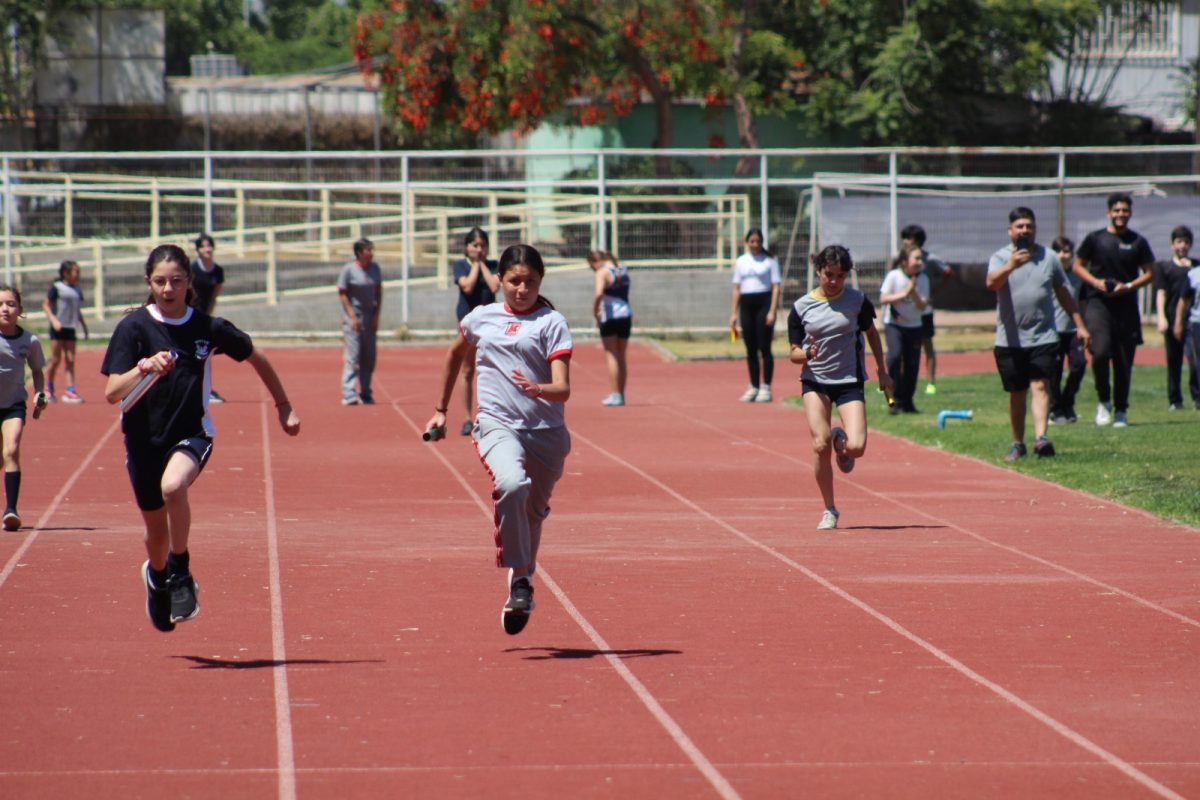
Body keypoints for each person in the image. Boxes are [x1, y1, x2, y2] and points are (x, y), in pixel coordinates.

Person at [100, 244, 300, 633]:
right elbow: (112, 392)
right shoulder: (133, 328)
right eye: (160, 281)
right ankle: (158, 578)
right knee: (155, 535)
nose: (168, 288)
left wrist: (283, 405)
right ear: (148, 282)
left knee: (174, 486)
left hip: (193, 433)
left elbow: (257, 356)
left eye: (176, 280)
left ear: (189, 282)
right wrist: (144, 367)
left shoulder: (207, 328)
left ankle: (180, 570)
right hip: (143, 440)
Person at [424, 244, 572, 636]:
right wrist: (441, 409)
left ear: (541, 281)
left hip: (547, 433)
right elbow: (454, 356)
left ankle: (521, 576)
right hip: (496, 424)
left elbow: (563, 389)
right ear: (500, 280)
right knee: (511, 484)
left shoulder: (551, 322)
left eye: (530, 281)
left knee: (533, 514)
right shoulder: (482, 318)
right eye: (514, 281)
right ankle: (521, 580)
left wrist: (538, 389)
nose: (522, 289)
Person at [787, 245, 891, 531]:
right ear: (818, 271)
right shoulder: (800, 308)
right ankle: (829, 509)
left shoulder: (857, 301)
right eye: (828, 274)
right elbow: (793, 354)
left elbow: (871, 333)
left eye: (840, 276)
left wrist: (883, 371)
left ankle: (841, 442)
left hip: (848, 380)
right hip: (815, 381)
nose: (833, 281)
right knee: (818, 444)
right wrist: (808, 354)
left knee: (857, 447)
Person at [986, 208, 1090, 462]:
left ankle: (1042, 438)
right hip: (1009, 340)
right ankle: (1017, 443)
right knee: (1017, 392)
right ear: (1010, 230)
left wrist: (1080, 324)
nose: (1024, 230)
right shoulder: (1000, 257)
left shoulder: (1049, 257)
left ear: (1035, 229)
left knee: (1041, 385)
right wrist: (1012, 264)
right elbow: (991, 284)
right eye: (1019, 226)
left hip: (1044, 337)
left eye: (1029, 226)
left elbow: (1064, 293)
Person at [1072, 193, 1155, 428]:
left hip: (1126, 306)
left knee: (1123, 360)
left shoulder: (1138, 241)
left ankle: (1121, 409)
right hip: (1099, 304)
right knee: (1099, 353)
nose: (1121, 215)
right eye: (1117, 210)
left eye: (1125, 210)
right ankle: (1104, 402)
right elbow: (1078, 266)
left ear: (1130, 213)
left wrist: (1127, 286)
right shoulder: (1095, 239)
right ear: (1109, 212)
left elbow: (1150, 273)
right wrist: (1096, 283)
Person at [0, 286, 47, 531]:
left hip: (13, 405)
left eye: (10, 304)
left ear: (20, 309)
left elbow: (38, 371)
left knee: (12, 449)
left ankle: (11, 510)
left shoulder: (29, 341)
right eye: (0, 304)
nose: (5, 309)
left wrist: (40, 391)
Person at [452, 227, 500, 434]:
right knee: (468, 369)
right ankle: (466, 418)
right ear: (467, 247)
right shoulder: (460, 265)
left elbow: (494, 287)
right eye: (475, 245)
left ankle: (492, 415)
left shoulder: (494, 265)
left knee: (492, 369)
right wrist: (476, 265)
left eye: (483, 245)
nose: (480, 249)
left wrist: (483, 266)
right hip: (468, 322)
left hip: (490, 323)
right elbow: (468, 287)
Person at [900, 224, 953, 396]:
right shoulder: (901, 259)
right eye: (904, 237)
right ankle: (899, 381)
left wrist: (934, 293)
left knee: (927, 345)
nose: (905, 241)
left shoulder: (929, 259)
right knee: (901, 348)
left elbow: (948, 272)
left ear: (917, 241)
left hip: (924, 311)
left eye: (908, 238)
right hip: (905, 311)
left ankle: (931, 382)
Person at [729, 228, 781, 402]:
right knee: (750, 347)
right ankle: (753, 385)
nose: (755, 244)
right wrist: (733, 313)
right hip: (746, 304)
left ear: (762, 242)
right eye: (752, 241)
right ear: (747, 242)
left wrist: (772, 311)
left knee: (764, 346)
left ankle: (766, 386)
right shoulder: (741, 261)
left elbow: (776, 287)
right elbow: (736, 288)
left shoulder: (770, 260)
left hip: (764, 303)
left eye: (758, 241)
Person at [879, 243, 929, 414]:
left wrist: (913, 291)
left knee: (912, 365)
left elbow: (922, 306)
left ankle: (907, 402)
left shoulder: (923, 279)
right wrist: (905, 292)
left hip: (914, 327)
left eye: (920, 258)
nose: (919, 261)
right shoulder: (894, 276)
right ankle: (892, 401)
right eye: (916, 258)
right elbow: (883, 298)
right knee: (893, 358)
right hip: (894, 325)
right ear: (904, 261)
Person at [1153, 226, 1194, 411]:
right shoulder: (1164, 267)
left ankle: (1197, 397)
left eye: (1186, 242)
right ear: (1172, 245)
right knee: (1174, 361)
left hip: (1193, 320)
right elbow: (1160, 293)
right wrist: (1161, 317)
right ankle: (1175, 400)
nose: (1182, 246)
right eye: (1179, 242)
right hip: (1172, 318)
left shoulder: (1196, 267)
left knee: (1195, 360)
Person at [1047, 237, 1087, 425]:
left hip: (1073, 331)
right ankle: (1055, 409)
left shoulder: (1077, 276)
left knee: (1079, 365)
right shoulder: (1047, 275)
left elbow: (1081, 302)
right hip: (1052, 331)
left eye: (1067, 252)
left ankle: (1067, 402)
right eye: (1060, 251)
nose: (1064, 255)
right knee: (1053, 372)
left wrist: (1083, 326)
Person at [338, 238, 382, 406]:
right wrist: (352, 317)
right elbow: (342, 293)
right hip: (354, 316)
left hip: (370, 315)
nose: (371, 253)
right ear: (359, 253)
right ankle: (349, 393)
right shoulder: (348, 270)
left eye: (372, 249)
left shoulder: (375, 268)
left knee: (369, 356)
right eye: (368, 250)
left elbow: (379, 292)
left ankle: (365, 392)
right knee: (353, 356)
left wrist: (377, 316)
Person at [588, 250, 632, 407]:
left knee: (611, 354)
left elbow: (599, 293)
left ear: (595, 262)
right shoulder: (622, 267)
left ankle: (616, 395)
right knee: (621, 355)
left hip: (610, 315)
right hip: (626, 314)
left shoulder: (602, 272)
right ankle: (621, 393)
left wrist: (595, 311)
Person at [42, 260, 89, 404]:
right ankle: (48, 388)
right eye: (76, 271)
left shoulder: (77, 289)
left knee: (71, 360)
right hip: (58, 328)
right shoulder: (57, 287)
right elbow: (46, 305)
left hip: (70, 328)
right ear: (65, 273)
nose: (78, 274)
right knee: (56, 360)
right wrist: (54, 320)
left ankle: (70, 390)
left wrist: (84, 326)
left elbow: (77, 310)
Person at [190, 233, 226, 403]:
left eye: (210, 245)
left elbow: (214, 296)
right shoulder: (192, 270)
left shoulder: (218, 271)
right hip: (190, 315)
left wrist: (207, 317)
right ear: (198, 250)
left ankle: (206, 389)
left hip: (204, 317)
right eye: (204, 246)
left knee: (204, 353)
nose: (208, 249)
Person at [1175, 260, 1200, 410]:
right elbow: (1183, 301)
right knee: (1197, 362)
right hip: (1197, 322)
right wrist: (1178, 322)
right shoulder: (1194, 274)